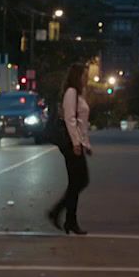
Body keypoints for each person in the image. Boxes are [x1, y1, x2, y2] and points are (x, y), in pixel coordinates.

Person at [47, 62, 92, 235]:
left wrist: (86, 144)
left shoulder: (79, 94)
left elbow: (83, 123)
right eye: (84, 75)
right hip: (70, 144)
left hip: (77, 143)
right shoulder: (71, 93)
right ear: (77, 76)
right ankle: (57, 213)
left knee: (77, 182)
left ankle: (69, 220)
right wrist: (76, 143)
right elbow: (70, 119)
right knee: (81, 181)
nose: (86, 78)